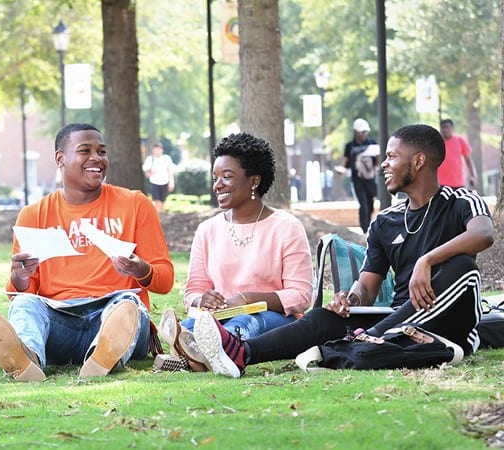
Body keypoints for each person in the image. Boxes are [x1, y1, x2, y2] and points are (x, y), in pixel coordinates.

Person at [191, 124, 495, 378]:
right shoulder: (386, 222)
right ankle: (242, 352)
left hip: (449, 320)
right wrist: (350, 298)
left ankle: (360, 342)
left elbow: (483, 234)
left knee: (462, 268)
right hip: (396, 320)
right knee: (323, 318)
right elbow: (368, 287)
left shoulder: (461, 201)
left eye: (391, 157)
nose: (384, 165)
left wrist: (428, 261)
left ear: (418, 161)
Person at [0, 123, 174, 381]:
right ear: (60, 158)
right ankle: (27, 361)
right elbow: (20, 294)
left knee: (128, 304)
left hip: (115, 316)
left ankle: (104, 356)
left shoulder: (135, 204)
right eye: (85, 151)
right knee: (25, 305)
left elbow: (165, 280)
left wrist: (142, 269)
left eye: (102, 152)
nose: (97, 159)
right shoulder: (34, 214)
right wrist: (20, 277)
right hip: (61, 323)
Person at [158, 133, 312, 371]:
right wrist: (203, 299)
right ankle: (196, 351)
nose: (217, 185)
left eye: (227, 177)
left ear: (254, 181)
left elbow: (301, 295)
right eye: (215, 177)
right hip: (219, 317)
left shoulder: (286, 227)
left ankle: (200, 351)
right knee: (191, 323)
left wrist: (247, 299)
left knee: (247, 321)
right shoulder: (207, 230)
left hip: (273, 319)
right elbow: (193, 292)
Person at [343, 118, 378, 233]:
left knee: (370, 203)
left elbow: (377, 159)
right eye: (361, 132)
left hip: (370, 179)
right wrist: (343, 169)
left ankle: (368, 226)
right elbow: (346, 162)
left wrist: (375, 168)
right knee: (363, 204)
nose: (363, 134)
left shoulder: (372, 143)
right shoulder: (349, 146)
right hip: (357, 179)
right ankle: (365, 229)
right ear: (356, 132)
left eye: (365, 132)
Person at [438, 118, 478, 189]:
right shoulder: (436, 143)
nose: (445, 130)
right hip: (440, 184)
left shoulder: (460, 141)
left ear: (452, 128)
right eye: (443, 128)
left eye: (447, 127)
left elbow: (468, 160)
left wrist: (474, 176)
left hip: (457, 183)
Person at [142, 143, 175, 213]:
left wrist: (171, 183)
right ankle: (159, 213)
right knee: (156, 200)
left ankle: (162, 213)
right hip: (154, 182)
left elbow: (170, 172)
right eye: (155, 150)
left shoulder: (166, 159)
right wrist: (152, 173)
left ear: (162, 150)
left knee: (163, 200)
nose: (157, 151)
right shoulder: (150, 159)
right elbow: (147, 173)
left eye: (158, 149)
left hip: (164, 181)